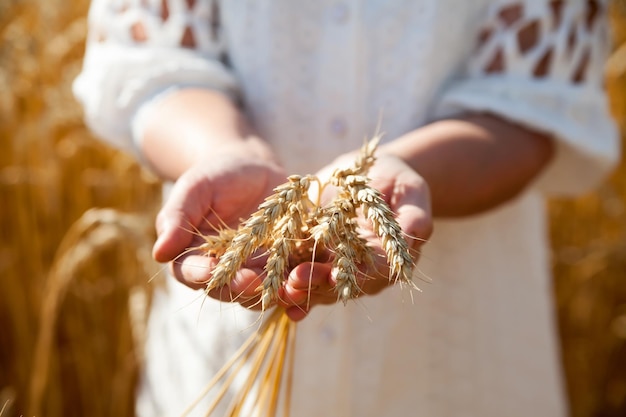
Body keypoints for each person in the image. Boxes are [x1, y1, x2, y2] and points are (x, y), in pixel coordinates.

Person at [74, 1, 619, 416]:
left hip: (455, 354)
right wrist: (222, 150)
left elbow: (533, 102)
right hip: (218, 348)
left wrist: (409, 169)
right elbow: (154, 61)